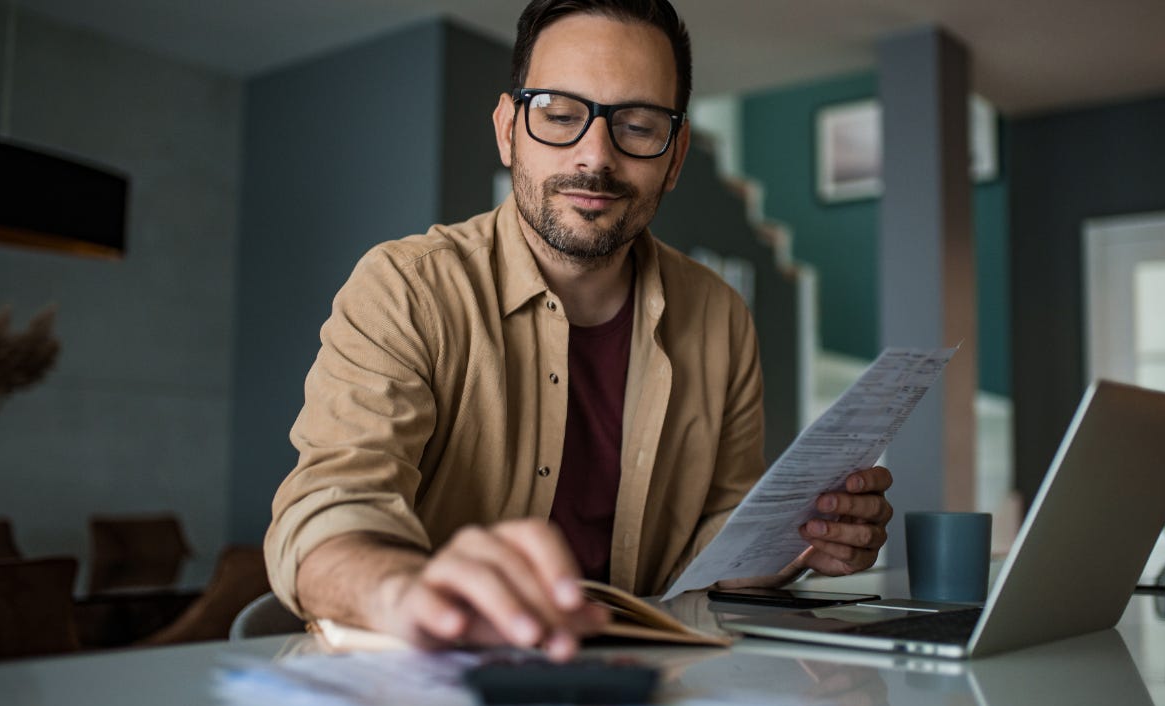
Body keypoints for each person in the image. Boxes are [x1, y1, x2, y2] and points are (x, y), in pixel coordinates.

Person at [265, 0, 894, 661]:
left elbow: (714, 551)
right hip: (441, 682)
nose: (596, 157)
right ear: (509, 129)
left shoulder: (721, 317)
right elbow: (328, 513)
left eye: (640, 125)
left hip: (645, 683)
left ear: (675, 156)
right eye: (560, 116)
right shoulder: (405, 288)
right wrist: (406, 592)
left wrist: (795, 539)